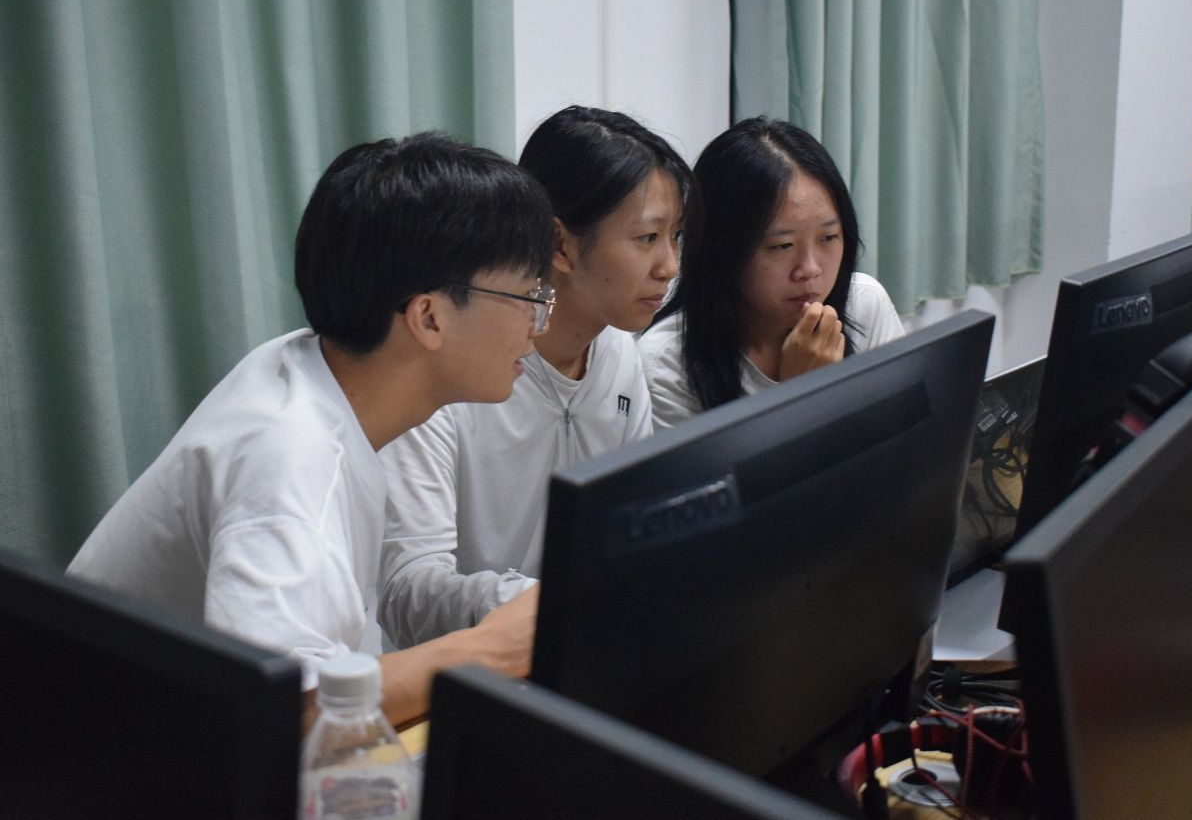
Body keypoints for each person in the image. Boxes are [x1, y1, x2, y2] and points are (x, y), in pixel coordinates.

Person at [67, 132, 552, 726]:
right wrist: (491, 649)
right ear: (428, 317)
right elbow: (288, 708)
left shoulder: (312, 369)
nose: (538, 323)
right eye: (527, 295)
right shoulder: (289, 456)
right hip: (115, 753)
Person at [377, 106, 695, 648]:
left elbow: (634, 530)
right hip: (464, 671)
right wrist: (545, 606)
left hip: (581, 650)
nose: (669, 265)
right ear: (561, 245)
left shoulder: (620, 355)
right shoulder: (450, 367)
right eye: (647, 238)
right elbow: (406, 590)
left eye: (676, 237)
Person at [640, 117, 904, 429]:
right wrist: (799, 397)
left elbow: (905, 442)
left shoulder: (864, 306)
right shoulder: (665, 366)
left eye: (829, 237)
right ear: (723, 248)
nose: (810, 269)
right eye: (783, 246)